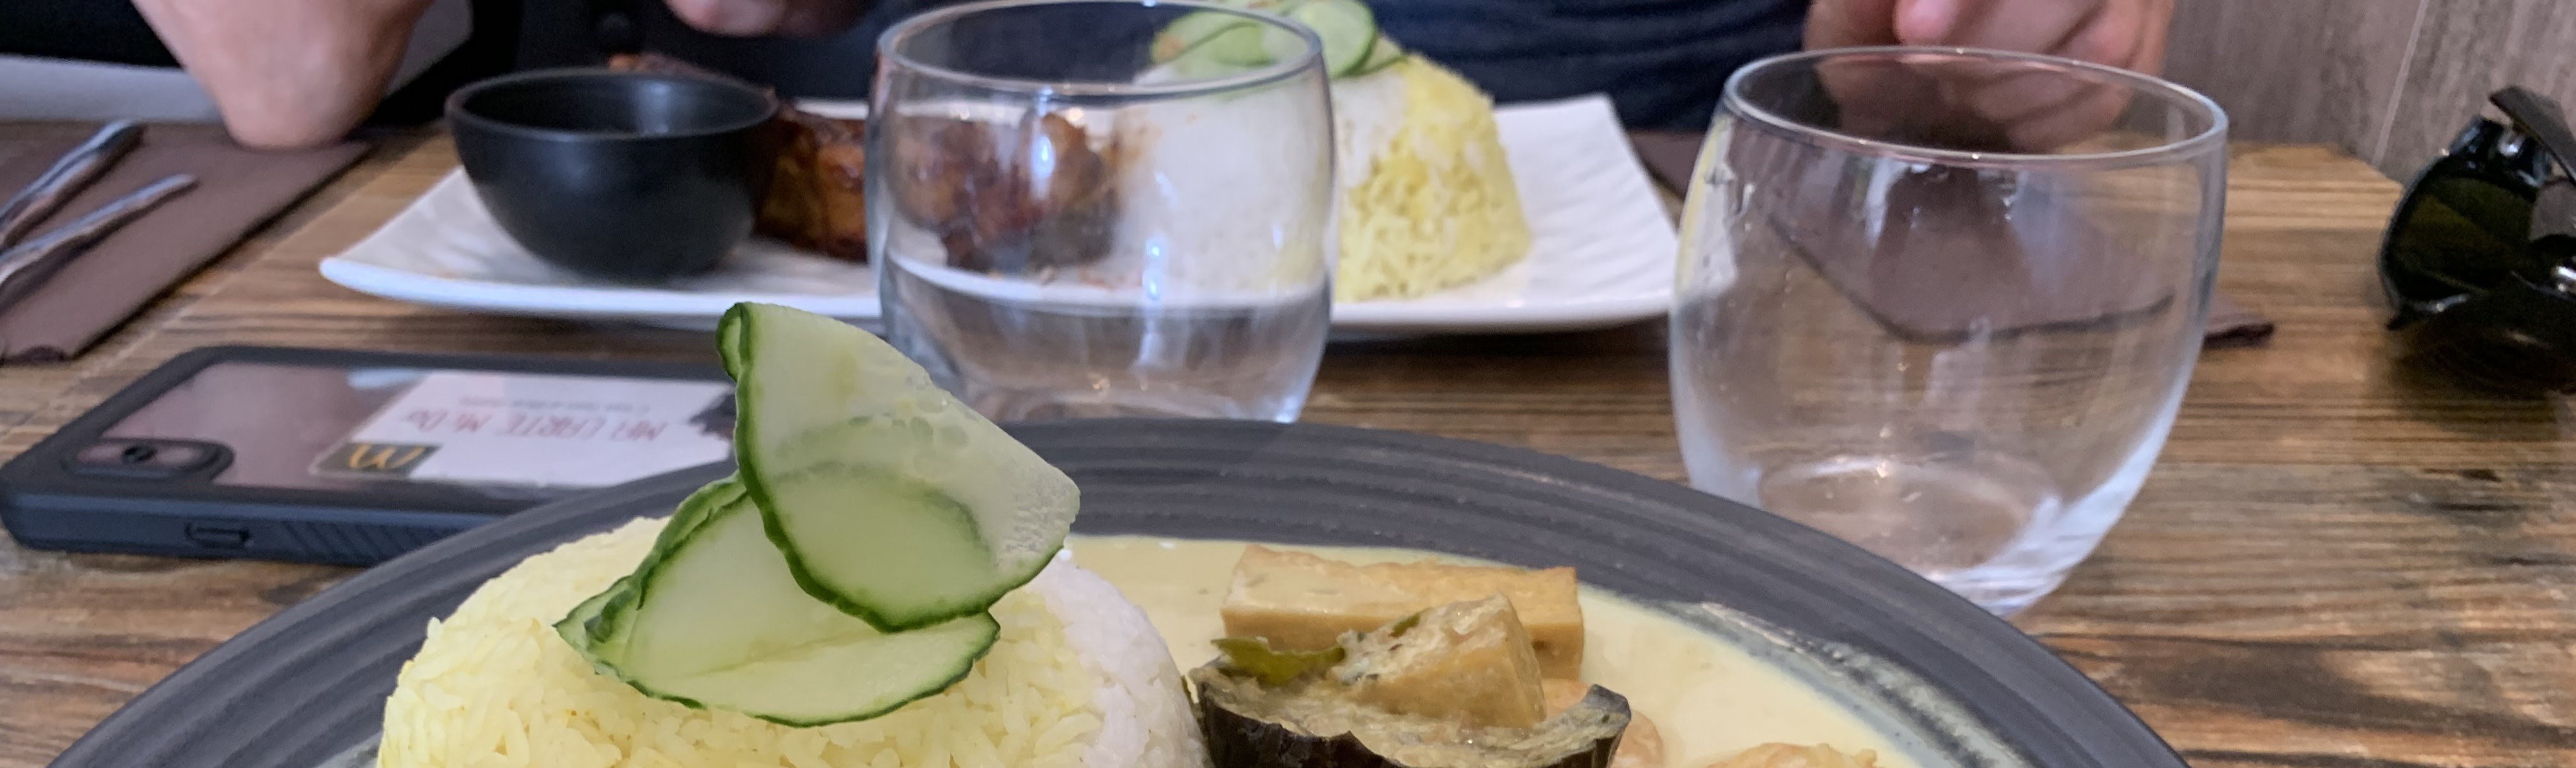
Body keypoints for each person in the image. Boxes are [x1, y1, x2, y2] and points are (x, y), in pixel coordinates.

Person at [74, 0, 2173, 147]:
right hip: (932, 249)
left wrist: (1992, 67)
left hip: (1623, 228)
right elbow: (289, 70)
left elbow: (1896, 76)